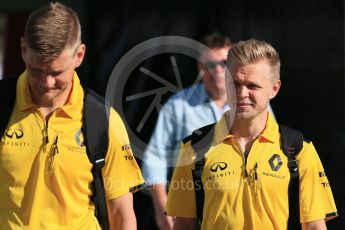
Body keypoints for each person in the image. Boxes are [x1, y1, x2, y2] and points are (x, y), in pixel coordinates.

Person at [166, 39, 338, 229]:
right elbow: (182, 224)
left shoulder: (299, 150)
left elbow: (314, 226)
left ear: (274, 89)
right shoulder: (193, 148)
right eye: (235, 83)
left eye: (252, 86)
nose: (241, 93)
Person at [0, 2, 144, 229]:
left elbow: (122, 214)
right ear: (23, 50)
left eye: (57, 72)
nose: (46, 82)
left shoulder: (102, 120)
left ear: (79, 55)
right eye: (36, 69)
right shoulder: (2, 103)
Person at [141, 33, 275, 229]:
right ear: (200, 68)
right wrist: (163, 211)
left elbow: (272, 150)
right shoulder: (178, 106)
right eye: (210, 64)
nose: (218, 70)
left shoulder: (256, 102)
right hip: (193, 214)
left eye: (224, 63)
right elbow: (155, 159)